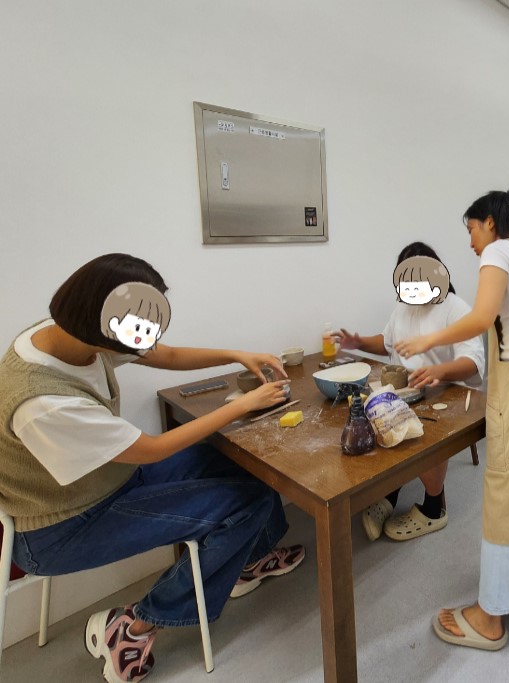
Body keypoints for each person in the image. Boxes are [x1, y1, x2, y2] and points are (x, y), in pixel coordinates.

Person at [0, 254, 305, 683]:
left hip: (110, 481)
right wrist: (242, 405)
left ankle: (246, 560)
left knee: (243, 457)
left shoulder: (66, 333)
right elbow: (153, 449)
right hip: (63, 526)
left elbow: (165, 354)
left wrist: (237, 355)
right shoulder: (44, 402)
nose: (146, 341)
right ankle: (134, 625)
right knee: (247, 502)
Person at [394, 189, 509, 651]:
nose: (471, 242)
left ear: (490, 224)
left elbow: (482, 318)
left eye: (472, 229)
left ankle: (490, 618)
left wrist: (426, 342)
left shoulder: (498, 253)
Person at [335, 242, 484, 542]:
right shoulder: (403, 307)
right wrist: (359, 342)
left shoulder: (455, 309)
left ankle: (434, 508)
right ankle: (391, 493)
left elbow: (473, 362)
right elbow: (387, 342)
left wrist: (439, 372)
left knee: (423, 430)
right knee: (374, 413)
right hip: (407, 391)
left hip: (447, 393)